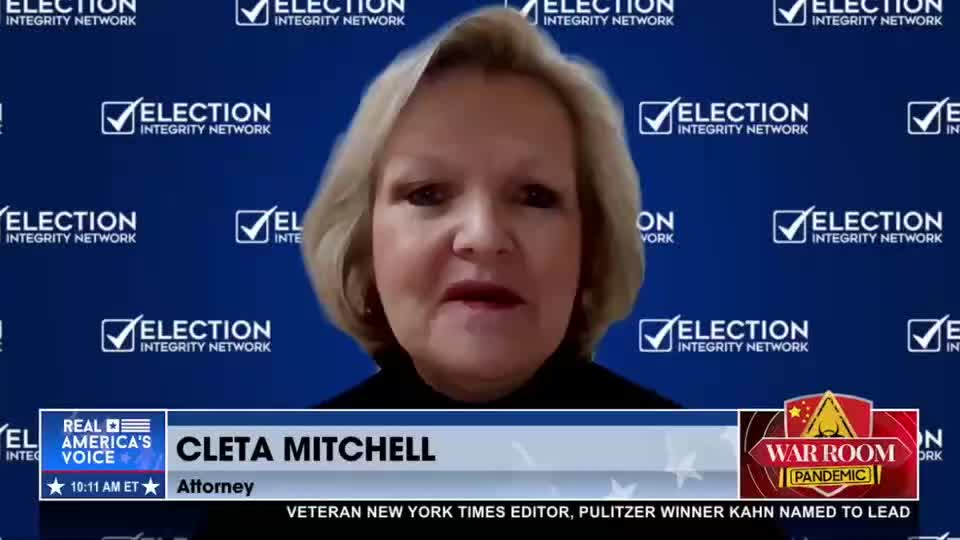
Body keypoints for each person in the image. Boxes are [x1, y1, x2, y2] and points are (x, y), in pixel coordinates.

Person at [302, 5, 676, 410]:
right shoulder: (298, 451)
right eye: (427, 194)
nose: (483, 237)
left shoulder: (696, 446)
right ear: (362, 243)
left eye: (534, 197)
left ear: (592, 246)